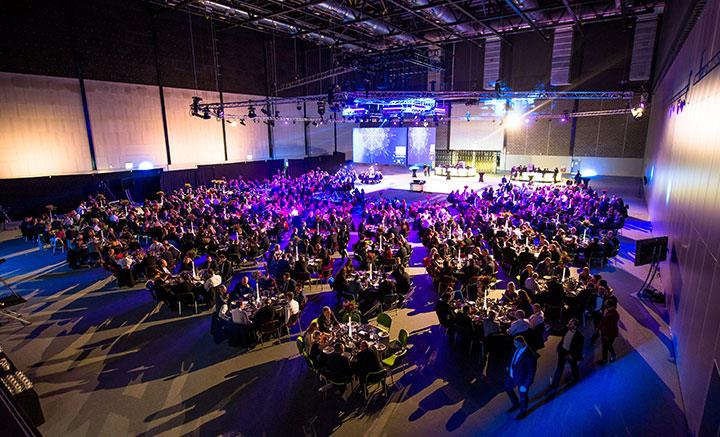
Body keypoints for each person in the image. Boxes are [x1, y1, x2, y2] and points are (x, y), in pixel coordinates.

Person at [505, 335, 538, 419]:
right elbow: (510, 358)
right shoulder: (515, 348)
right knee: (508, 388)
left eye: (516, 343)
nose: (514, 345)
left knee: (523, 395)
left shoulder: (530, 355)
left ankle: (523, 411)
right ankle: (516, 404)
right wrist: (508, 366)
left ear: (522, 343)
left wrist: (525, 385)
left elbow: (531, 372)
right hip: (512, 376)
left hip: (522, 379)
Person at [550, 318, 584, 387]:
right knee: (560, 367)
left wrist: (572, 354)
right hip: (562, 351)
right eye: (569, 322)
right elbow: (558, 333)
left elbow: (578, 348)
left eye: (571, 323)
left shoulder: (579, 336)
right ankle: (555, 383)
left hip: (570, 353)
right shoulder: (566, 329)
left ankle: (575, 379)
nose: (569, 324)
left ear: (575, 326)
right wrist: (550, 329)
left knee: (573, 366)